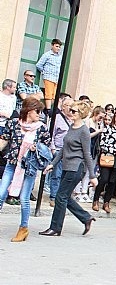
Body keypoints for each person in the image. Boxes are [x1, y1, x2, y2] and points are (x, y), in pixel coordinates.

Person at [40, 100, 97, 237]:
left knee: (61, 196)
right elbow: (63, 149)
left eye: (73, 111)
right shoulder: (72, 127)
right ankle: (86, 218)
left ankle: (55, 228)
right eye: (70, 110)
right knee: (64, 196)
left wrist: (93, 176)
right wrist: (52, 164)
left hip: (76, 168)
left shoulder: (84, 131)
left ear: (81, 113)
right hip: (67, 166)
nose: (70, 112)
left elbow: (87, 153)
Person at [0, 97, 51, 241]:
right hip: (12, 164)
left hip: (29, 168)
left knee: (24, 198)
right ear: (28, 110)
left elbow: (48, 147)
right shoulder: (13, 124)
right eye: (37, 111)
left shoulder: (41, 127)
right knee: (1, 193)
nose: (39, 114)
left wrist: (37, 149)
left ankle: (23, 228)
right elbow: (3, 141)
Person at [93, 111, 116, 213]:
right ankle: (96, 200)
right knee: (104, 179)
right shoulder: (108, 129)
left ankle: (106, 202)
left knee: (112, 182)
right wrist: (114, 151)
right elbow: (102, 143)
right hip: (108, 158)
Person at [48, 97, 73, 206]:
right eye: (69, 106)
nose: (72, 109)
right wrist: (53, 149)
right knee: (57, 174)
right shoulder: (57, 118)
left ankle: (62, 196)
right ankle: (53, 196)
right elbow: (51, 134)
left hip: (70, 152)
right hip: (58, 149)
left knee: (66, 176)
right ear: (63, 107)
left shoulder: (73, 120)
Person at [35, 39, 63, 113]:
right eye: (57, 46)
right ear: (52, 45)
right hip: (49, 77)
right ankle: (48, 109)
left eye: (59, 47)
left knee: (54, 95)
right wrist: (44, 72)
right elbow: (39, 65)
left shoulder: (59, 57)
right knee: (49, 93)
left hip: (56, 78)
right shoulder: (47, 55)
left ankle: (47, 108)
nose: (58, 48)